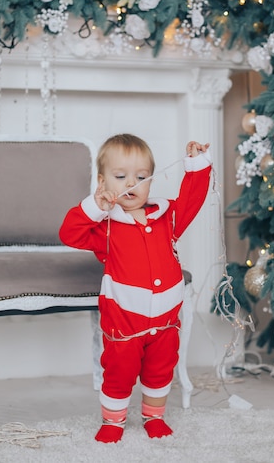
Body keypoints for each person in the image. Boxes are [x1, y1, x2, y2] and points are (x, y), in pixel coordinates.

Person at [59, 133, 212, 443]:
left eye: (141, 177)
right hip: (124, 323)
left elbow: (193, 199)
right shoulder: (105, 227)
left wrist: (196, 165)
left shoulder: (167, 217)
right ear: (102, 182)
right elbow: (69, 234)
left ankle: (154, 416)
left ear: (150, 183)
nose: (132, 183)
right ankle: (113, 422)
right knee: (119, 371)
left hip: (166, 321)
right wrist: (94, 206)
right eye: (120, 176)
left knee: (160, 370)